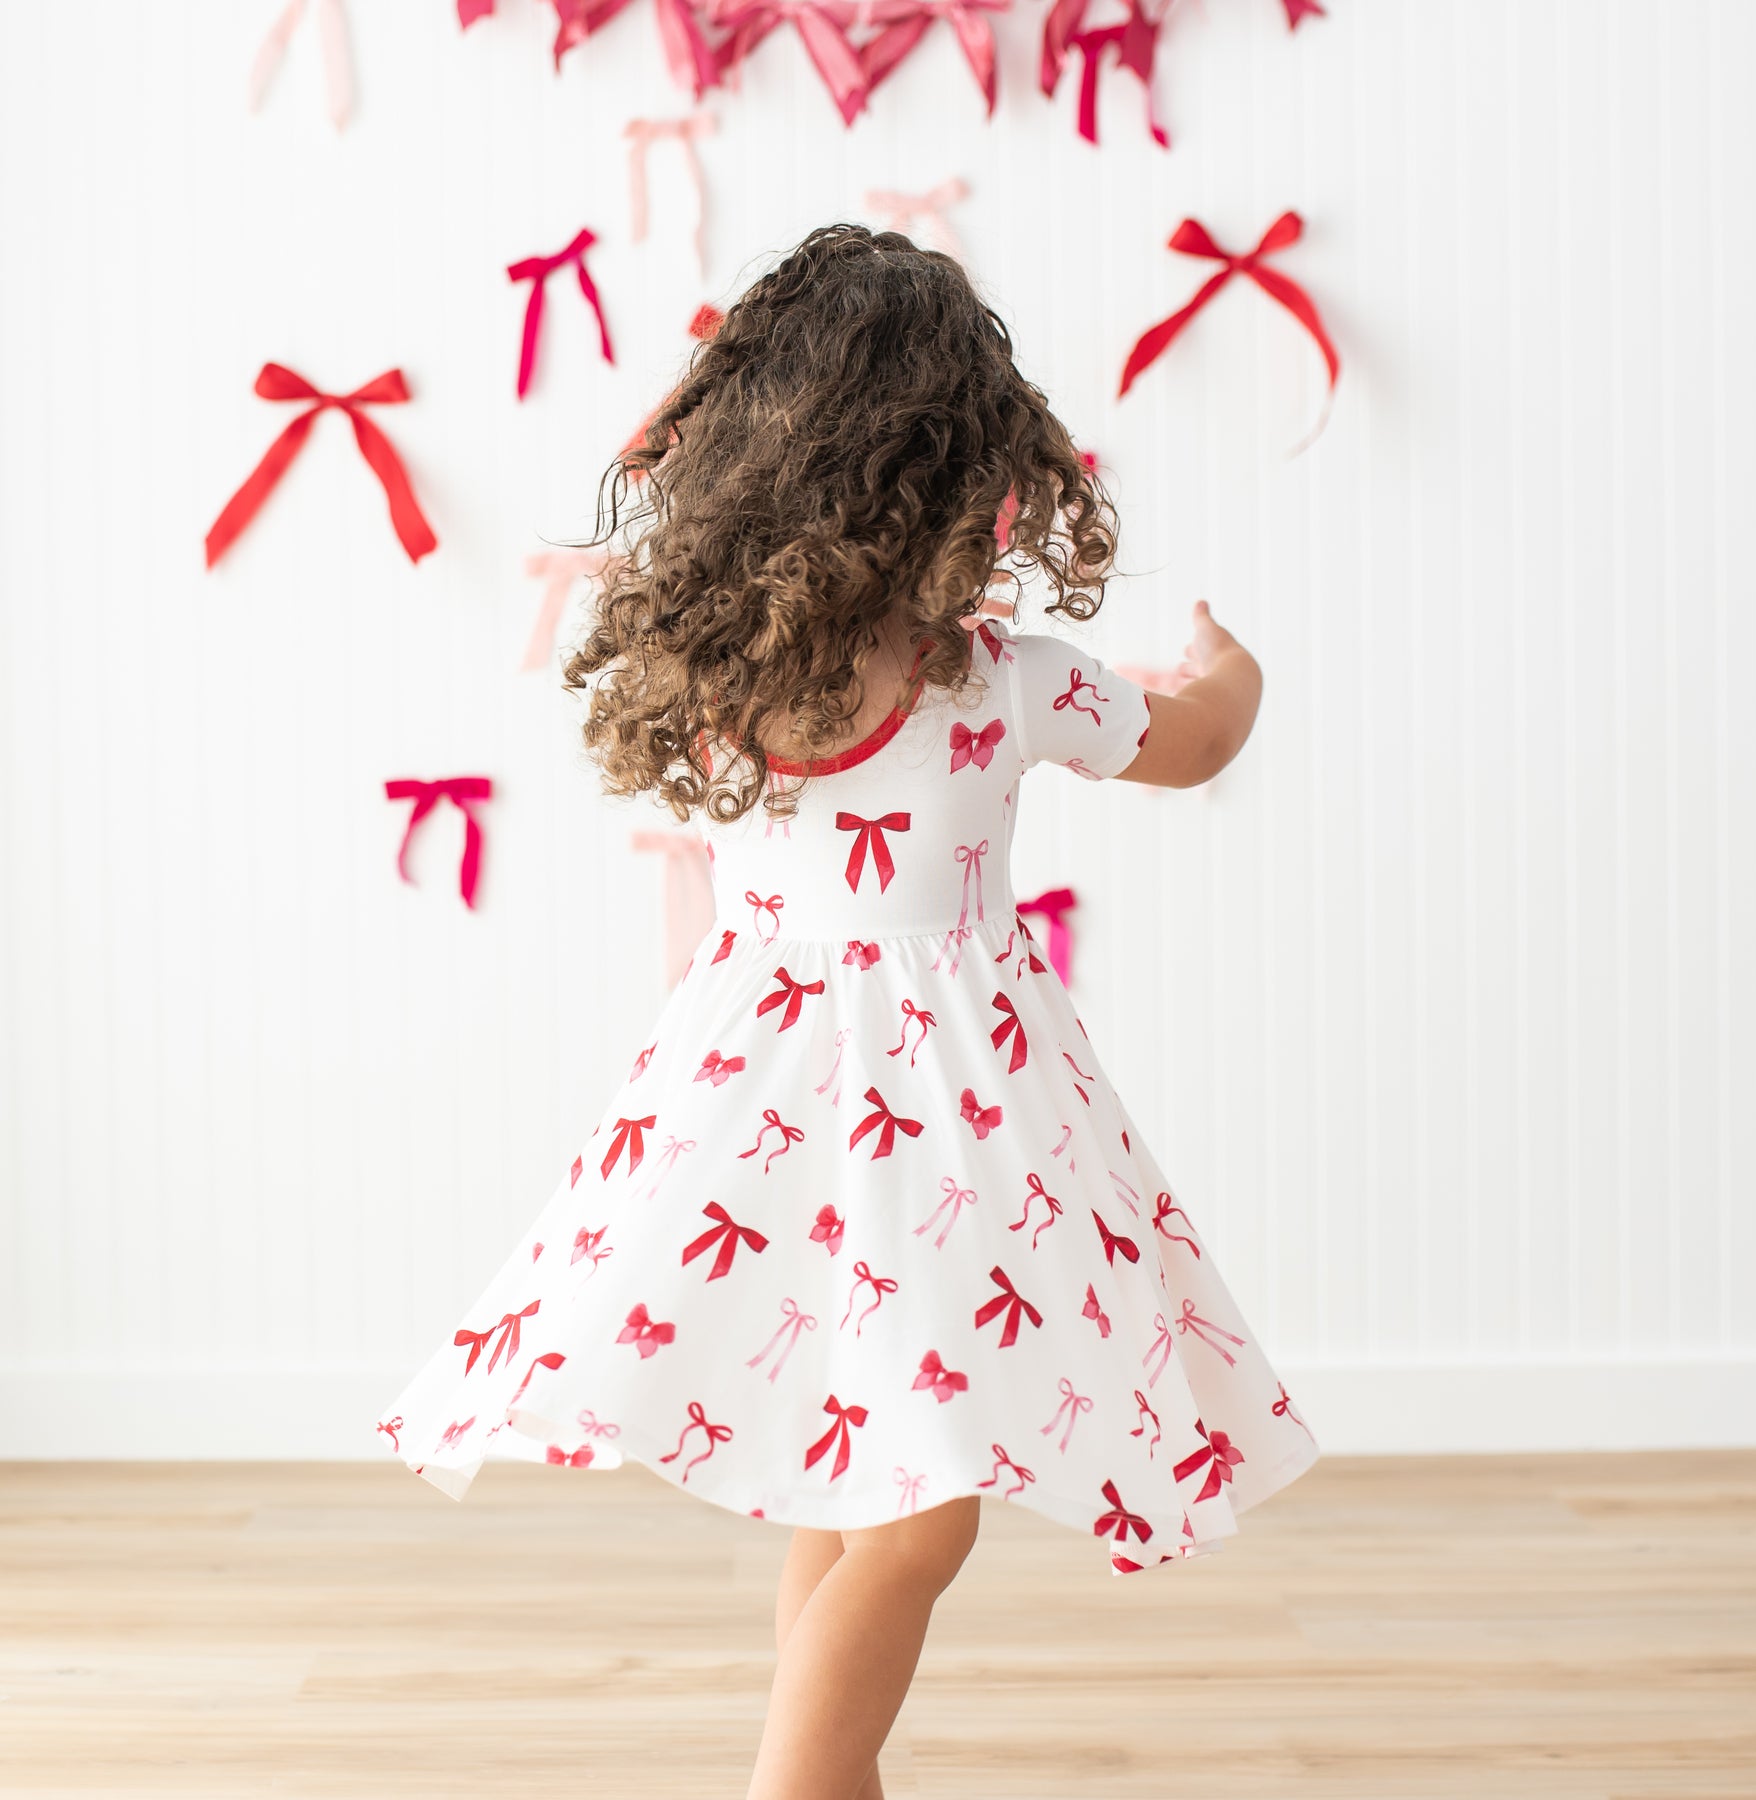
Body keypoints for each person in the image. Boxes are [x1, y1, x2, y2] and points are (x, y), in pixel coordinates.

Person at [374, 222, 1321, 1800]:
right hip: (952, 1118)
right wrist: (1229, 666)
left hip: (762, 1093)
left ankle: (828, 1779)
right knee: (921, 1503)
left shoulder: (723, 676)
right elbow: (1200, 739)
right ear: (966, 470)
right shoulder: (1004, 683)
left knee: (855, 1455)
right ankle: (793, 1785)